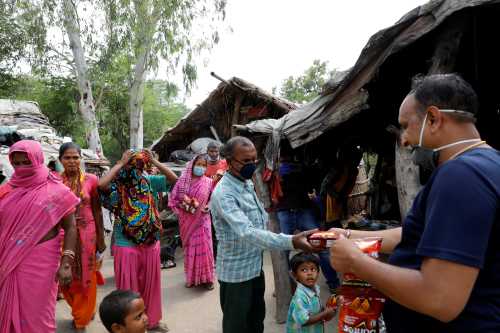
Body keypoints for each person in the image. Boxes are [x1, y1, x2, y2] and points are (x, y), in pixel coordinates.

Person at [330, 74, 500, 332]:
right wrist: (350, 235)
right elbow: (425, 233)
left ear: (433, 119)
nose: (404, 140)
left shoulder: (460, 176)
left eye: (406, 126)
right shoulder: (489, 164)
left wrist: (357, 262)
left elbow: (440, 299)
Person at [209, 136, 318, 333]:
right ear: (229, 161)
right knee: (237, 326)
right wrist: (292, 241)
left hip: (254, 268)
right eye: (246, 161)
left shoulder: (247, 184)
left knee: (256, 321)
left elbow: (260, 220)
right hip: (236, 276)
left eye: (254, 160)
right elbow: (248, 232)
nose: (252, 165)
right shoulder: (224, 194)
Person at [0, 140, 79, 333]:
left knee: (39, 317)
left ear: (37, 160)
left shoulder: (57, 190)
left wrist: (66, 262)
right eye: (16, 163)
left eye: (26, 162)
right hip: (7, 261)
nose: (21, 168)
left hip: (41, 264)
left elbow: (70, 227)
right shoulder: (6, 191)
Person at [99, 149, 177, 333]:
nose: (137, 167)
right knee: (127, 289)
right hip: (125, 241)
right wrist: (119, 163)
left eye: (141, 163)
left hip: (150, 239)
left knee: (151, 283)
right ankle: (128, 326)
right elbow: (102, 184)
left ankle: (152, 321)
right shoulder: (118, 184)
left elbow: (174, 179)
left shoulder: (149, 180)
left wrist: (155, 162)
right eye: (133, 163)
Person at [59, 142, 107, 331]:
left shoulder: (91, 180)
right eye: (67, 158)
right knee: (66, 276)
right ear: (61, 160)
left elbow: (97, 210)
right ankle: (82, 309)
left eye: (75, 157)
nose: (72, 161)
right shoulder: (55, 181)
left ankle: (81, 319)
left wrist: (101, 239)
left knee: (87, 275)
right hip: (63, 235)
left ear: (81, 159)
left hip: (88, 234)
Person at [277, 150, 339, 292]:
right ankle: (285, 284)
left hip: (302, 211)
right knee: (282, 251)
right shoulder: (276, 171)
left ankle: (333, 283)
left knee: (321, 247)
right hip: (287, 212)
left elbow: (313, 187)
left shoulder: (303, 169)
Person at [168, 154, 215, 289]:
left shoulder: (208, 182)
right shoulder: (182, 181)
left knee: (205, 249)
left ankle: (207, 279)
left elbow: (214, 198)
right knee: (190, 249)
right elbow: (173, 200)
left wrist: (209, 206)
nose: (201, 167)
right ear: (192, 165)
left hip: (203, 220)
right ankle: (192, 278)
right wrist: (184, 208)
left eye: (203, 165)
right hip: (187, 221)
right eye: (198, 164)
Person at [286, 253, 336, 332]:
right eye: (304, 270)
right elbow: (304, 321)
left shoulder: (315, 288)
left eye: (313, 269)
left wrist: (329, 307)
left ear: (318, 272)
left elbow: (315, 308)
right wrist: (325, 313)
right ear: (295, 275)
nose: (309, 273)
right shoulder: (299, 297)